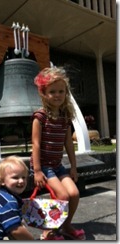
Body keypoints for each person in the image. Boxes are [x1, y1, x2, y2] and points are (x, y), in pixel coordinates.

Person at [30, 66, 86, 240]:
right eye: (52, 91)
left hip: (57, 166)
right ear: (44, 94)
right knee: (62, 195)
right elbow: (36, 144)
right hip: (44, 167)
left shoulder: (65, 116)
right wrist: (37, 171)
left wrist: (73, 167)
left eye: (61, 91)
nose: (57, 95)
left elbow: (69, 143)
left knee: (74, 194)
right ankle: (48, 230)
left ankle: (65, 225)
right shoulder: (40, 117)